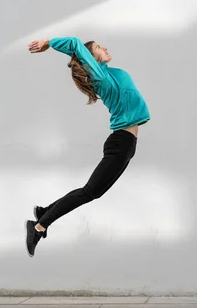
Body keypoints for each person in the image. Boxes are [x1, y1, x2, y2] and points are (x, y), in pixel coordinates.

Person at [24, 37, 150, 257]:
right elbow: (73, 42)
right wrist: (49, 43)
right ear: (90, 59)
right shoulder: (100, 78)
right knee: (90, 192)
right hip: (120, 143)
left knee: (92, 192)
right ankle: (39, 225)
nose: (106, 47)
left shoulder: (109, 73)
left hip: (127, 144)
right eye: (99, 48)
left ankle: (44, 211)